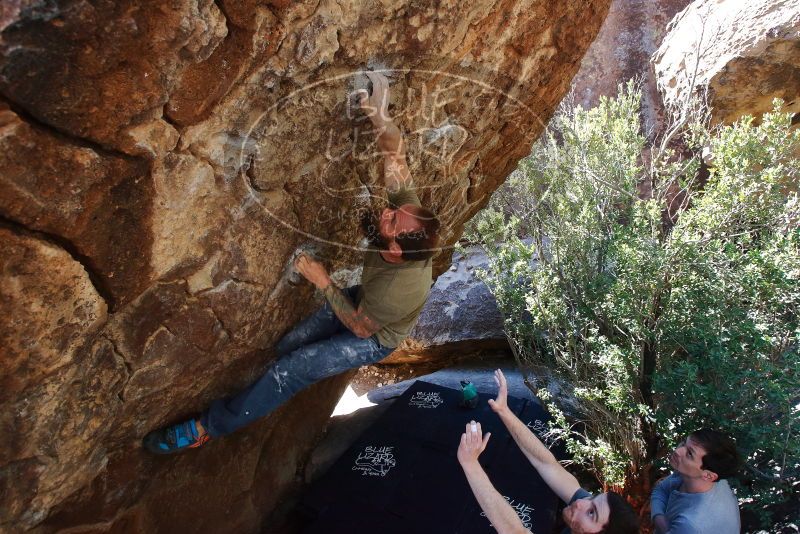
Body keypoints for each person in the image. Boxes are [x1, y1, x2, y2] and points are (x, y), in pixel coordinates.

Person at [144, 71, 441, 454]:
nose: (386, 211)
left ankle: (208, 428)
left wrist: (322, 281)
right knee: (291, 343)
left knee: (293, 367)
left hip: (374, 334)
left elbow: (361, 328)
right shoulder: (408, 218)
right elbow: (395, 155)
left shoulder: (400, 287)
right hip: (363, 300)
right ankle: (267, 389)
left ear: (398, 250)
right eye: (394, 210)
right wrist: (378, 115)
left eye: (391, 221)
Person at [457, 369, 639, 534]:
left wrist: (470, 464)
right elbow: (547, 464)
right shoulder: (584, 505)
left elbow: (513, 531)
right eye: (593, 498)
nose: (582, 502)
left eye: (592, 513)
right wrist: (504, 411)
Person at [651, 428, 741, 534]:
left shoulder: (691, 524)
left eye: (689, 454)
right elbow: (660, 490)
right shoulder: (690, 474)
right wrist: (661, 521)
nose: (677, 451)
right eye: (684, 443)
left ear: (708, 476)